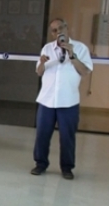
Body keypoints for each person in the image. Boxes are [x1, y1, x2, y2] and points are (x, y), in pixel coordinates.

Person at [31, 18, 93, 180]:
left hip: (68, 100)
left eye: (60, 28)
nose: (58, 32)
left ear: (67, 28)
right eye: (54, 30)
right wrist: (42, 63)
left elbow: (85, 71)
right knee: (42, 134)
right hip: (47, 100)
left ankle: (67, 168)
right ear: (51, 34)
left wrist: (72, 55)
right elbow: (39, 72)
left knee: (67, 136)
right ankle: (40, 164)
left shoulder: (80, 48)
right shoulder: (47, 48)